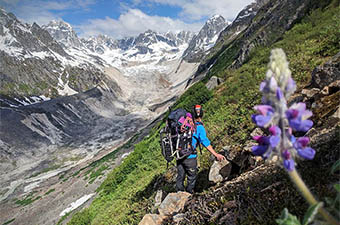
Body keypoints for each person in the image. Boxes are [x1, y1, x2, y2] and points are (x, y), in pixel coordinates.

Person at [176, 104, 226, 194]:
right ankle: (188, 194)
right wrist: (216, 154)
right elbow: (205, 142)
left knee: (180, 176)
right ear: (201, 114)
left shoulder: (183, 125)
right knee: (192, 177)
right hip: (190, 157)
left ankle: (179, 193)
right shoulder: (199, 127)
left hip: (179, 154)